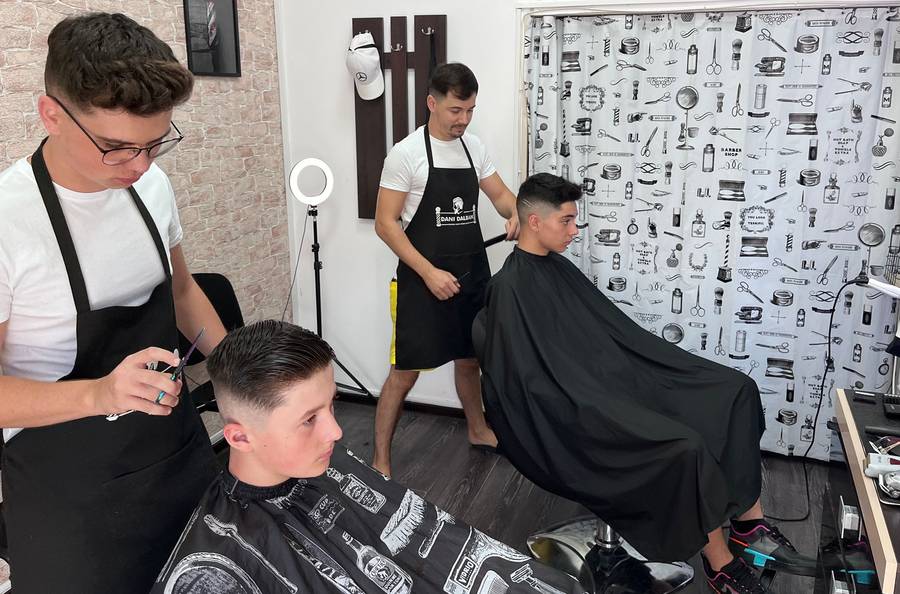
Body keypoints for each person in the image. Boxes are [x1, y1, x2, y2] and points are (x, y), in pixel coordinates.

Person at [473, 173, 820, 594]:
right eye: (566, 221)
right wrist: (594, 400)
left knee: (735, 393)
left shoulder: (556, 268)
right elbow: (525, 382)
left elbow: (612, 337)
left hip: (613, 384)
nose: (575, 230)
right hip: (575, 411)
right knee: (684, 446)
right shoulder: (509, 287)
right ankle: (720, 565)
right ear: (533, 222)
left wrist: (640, 374)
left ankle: (748, 526)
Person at [0, 12, 226, 592]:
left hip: (174, 453)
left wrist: (240, 376)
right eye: (116, 147)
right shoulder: (8, 221)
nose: (140, 166)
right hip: (69, 495)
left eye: (154, 144)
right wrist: (101, 394)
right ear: (51, 114)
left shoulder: (150, 186)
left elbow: (181, 291)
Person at [152, 320, 584, 594]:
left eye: (332, 405)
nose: (337, 432)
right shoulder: (215, 561)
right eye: (309, 419)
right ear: (239, 437)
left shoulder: (328, 462)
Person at [373, 62, 518, 477]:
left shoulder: (474, 148)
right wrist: (429, 273)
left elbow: (502, 196)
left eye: (470, 110)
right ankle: (380, 460)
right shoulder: (406, 154)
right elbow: (386, 224)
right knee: (404, 373)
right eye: (456, 110)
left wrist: (514, 214)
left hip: (472, 274)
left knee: (470, 359)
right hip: (422, 281)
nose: (464, 120)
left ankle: (478, 429)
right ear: (432, 103)